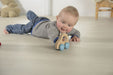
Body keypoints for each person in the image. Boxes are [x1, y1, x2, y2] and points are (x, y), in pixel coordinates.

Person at [4, 6, 80, 43]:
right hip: (36, 26)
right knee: (24, 29)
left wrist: (75, 36)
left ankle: (30, 14)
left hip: (45, 21)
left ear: (73, 26)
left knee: (35, 17)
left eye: (69, 25)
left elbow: (76, 32)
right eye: (63, 22)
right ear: (57, 18)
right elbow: (52, 35)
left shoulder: (67, 30)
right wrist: (58, 40)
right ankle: (9, 28)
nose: (65, 26)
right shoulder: (53, 27)